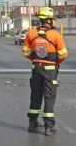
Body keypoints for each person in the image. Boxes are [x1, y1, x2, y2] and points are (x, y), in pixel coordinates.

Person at [22, 7, 68, 136]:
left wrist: (36, 60)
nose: (55, 22)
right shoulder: (55, 35)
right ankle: (49, 127)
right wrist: (55, 64)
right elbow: (63, 54)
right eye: (53, 19)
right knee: (49, 97)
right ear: (48, 20)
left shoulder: (31, 33)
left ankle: (32, 123)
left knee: (35, 95)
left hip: (36, 69)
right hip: (50, 70)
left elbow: (25, 52)